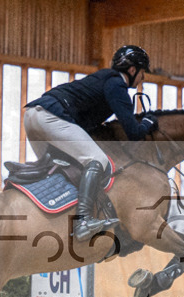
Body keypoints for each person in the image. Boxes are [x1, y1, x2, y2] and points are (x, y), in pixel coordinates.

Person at [23, 44, 158, 241]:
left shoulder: (102, 78)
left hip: (32, 116)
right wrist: (147, 122)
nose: (143, 78)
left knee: (56, 168)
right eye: (142, 72)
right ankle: (83, 221)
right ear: (132, 70)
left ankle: (47, 219)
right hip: (52, 118)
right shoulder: (117, 85)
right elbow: (134, 133)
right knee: (98, 160)